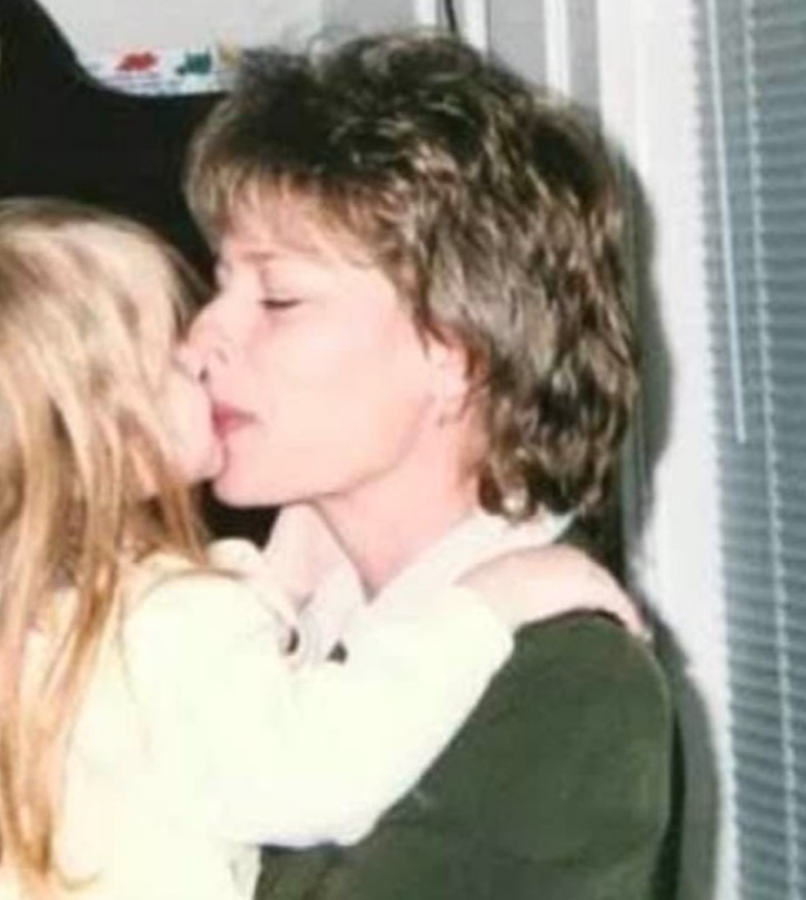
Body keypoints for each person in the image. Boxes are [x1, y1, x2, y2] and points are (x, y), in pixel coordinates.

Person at [0, 195, 640, 900]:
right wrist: (490, 601)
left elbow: (155, 715)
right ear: (98, 432)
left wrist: (278, 576)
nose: (207, 345)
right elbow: (314, 771)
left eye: (278, 297)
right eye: (174, 360)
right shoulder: (165, 623)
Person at [184, 30, 674, 900]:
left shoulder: (568, 689)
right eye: (221, 285)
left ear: (456, 354)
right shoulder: (269, 620)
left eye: (279, 297)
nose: (202, 337)